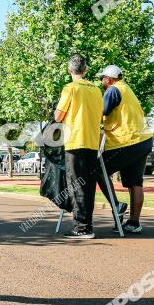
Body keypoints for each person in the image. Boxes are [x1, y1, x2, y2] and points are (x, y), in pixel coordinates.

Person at [95, 65, 153, 234]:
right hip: (143, 141)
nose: (102, 82)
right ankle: (134, 223)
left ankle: (117, 205)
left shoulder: (113, 90)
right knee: (135, 181)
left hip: (126, 141)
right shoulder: (128, 90)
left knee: (98, 169)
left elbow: (101, 112)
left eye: (102, 79)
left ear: (110, 79)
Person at [53, 55, 104, 239]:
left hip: (74, 140)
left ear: (69, 70)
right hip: (91, 142)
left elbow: (58, 116)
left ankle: (81, 228)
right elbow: (99, 116)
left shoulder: (70, 88)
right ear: (86, 70)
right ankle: (86, 224)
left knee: (76, 185)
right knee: (89, 186)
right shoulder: (97, 90)